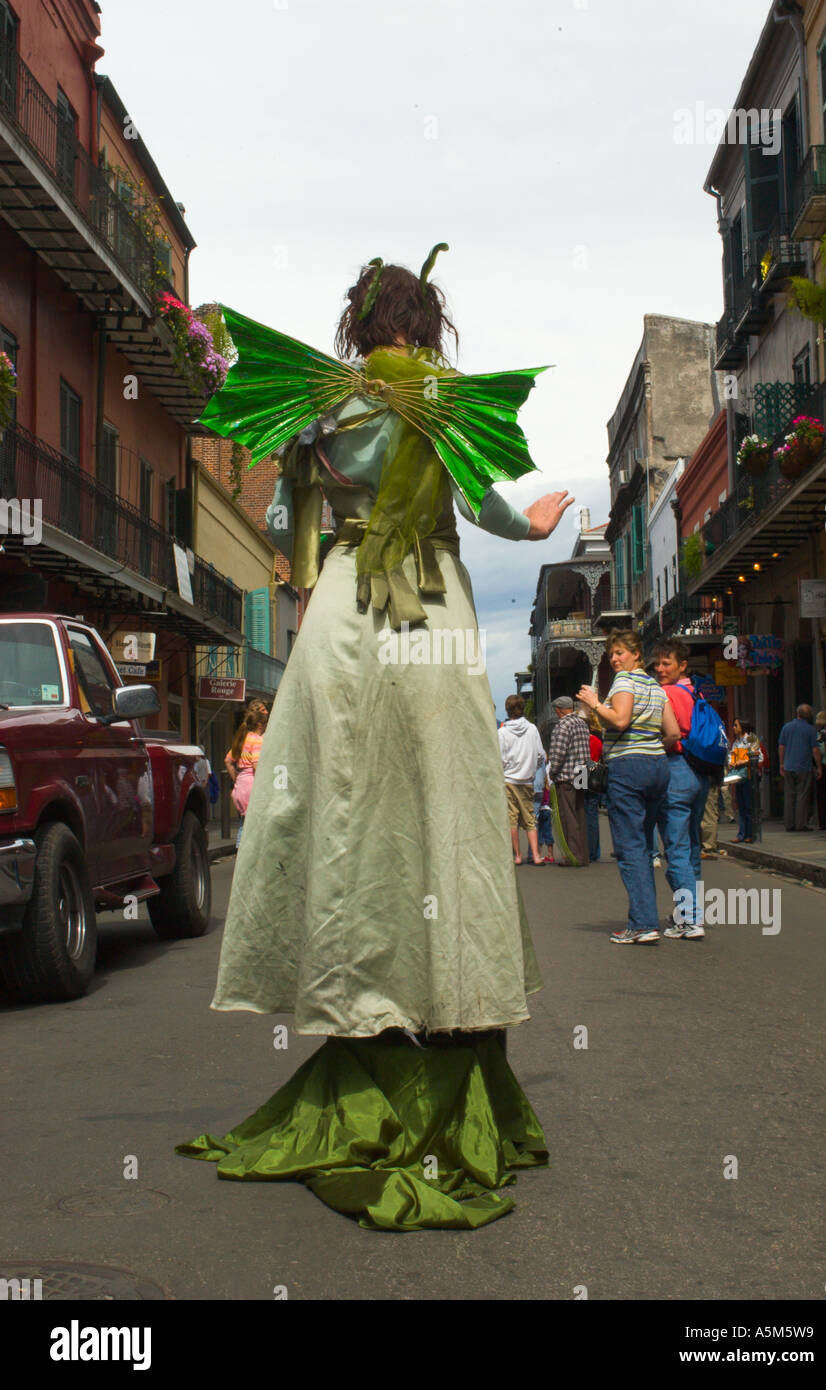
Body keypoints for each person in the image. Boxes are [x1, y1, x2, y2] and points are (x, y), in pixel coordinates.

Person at [176, 251, 573, 1230]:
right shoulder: (443, 401)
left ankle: (359, 999)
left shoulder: (321, 406)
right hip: (431, 607)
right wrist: (538, 522)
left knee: (345, 808)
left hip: (347, 617)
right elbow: (487, 507)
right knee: (444, 804)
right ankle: (447, 1002)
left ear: (358, 328)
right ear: (427, 326)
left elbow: (281, 524)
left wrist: (313, 484)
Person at [578, 630, 680, 944]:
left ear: (637, 654)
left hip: (628, 767)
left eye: (620, 653)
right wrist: (650, 747)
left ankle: (643, 923)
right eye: (612, 654)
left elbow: (619, 721)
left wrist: (595, 703)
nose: (615, 658)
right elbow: (673, 732)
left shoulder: (624, 682)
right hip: (657, 766)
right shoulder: (656, 686)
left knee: (631, 847)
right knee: (646, 846)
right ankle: (649, 917)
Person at [652, 639, 711, 940]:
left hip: (676, 768)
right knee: (691, 847)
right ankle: (693, 910)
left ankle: (689, 918)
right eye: (658, 664)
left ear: (682, 665)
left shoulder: (665, 694)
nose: (660, 669)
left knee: (675, 848)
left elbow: (671, 733)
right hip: (700, 773)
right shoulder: (694, 690)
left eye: (667, 663)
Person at [499, 694, 547, 865]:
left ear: (507, 709)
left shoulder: (502, 732)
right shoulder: (532, 729)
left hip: (508, 779)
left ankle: (517, 856)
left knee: (511, 818)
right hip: (527, 779)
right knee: (530, 818)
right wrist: (533, 766)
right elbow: (541, 754)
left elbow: (500, 758)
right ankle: (535, 855)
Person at [546, 695, 591, 866]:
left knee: (568, 817)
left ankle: (573, 856)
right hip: (582, 771)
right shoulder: (581, 723)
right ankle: (584, 854)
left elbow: (558, 753)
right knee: (580, 813)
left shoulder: (563, 725)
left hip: (567, 774)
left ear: (559, 709)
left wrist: (552, 772)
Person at [224, 700, 269, 847]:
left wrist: (237, 779)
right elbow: (257, 765)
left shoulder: (243, 739)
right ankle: (246, 857)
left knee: (245, 824)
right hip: (252, 785)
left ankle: (240, 853)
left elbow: (228, 761)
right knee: (256, 825)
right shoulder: (257, 740)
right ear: (260, 725)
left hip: (241, 786)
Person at [778, 703, 822, 832]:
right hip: (803, 766)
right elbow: (815, 749)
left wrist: (781, 763)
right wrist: (819, 766)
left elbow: (781, 747)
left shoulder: (787, 727)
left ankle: (789, 823)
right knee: (802, 795)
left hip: (789, 765)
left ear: (797, 714)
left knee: (789, 794)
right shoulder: (810, 730)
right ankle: (800, 824)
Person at [728, 718, 763, 843]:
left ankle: (750, 834)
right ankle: (741, 834)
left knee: (749, 807)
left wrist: (744, 761)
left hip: (749, 777)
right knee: (741, 807)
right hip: (738, 777)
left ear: (742, 727)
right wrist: (731, 763)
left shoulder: (751, 740)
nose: (734, 727)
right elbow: (731, 756)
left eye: (736, 725)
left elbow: (759, 757)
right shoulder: (736, 742)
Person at [581, 701, 604, 862]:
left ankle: (587, 849)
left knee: (582, 812)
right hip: (596, 774)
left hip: (582, 773)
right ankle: (595, 850)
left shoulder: (582, 741)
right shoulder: (597, 740)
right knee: (593, 814)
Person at [533, 759, 555, 863]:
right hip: (548, 810)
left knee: (540, 833)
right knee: (548, 833)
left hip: (541, 810)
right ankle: (550, 855)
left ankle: (539, 854)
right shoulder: (548, 787)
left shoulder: (540, 787)